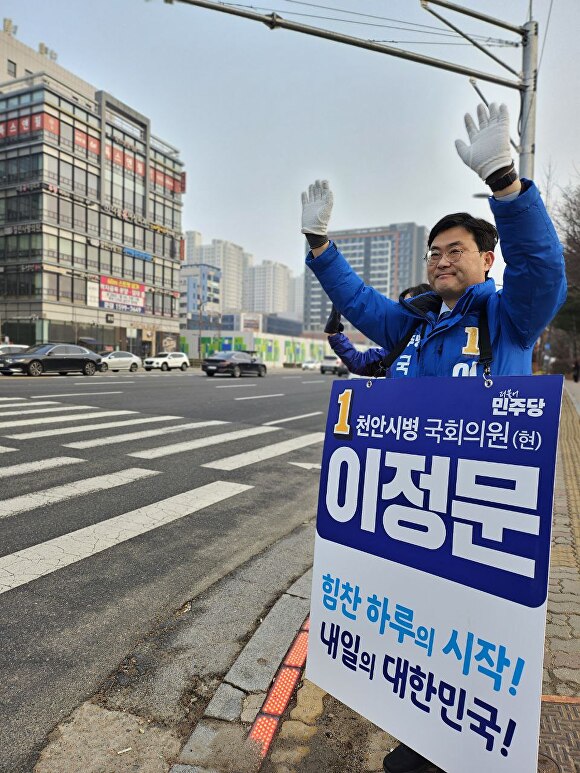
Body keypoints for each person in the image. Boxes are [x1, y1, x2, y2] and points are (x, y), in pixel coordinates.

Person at [301, 103, 567, 773]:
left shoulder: (509, 317)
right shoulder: (417, 324)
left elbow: (545, 272)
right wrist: (320, 249)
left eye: (455, 251)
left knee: (464, 707)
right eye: (435, 251)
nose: (441, 260)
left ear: (486, 257)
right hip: (418, 527)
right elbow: (361, 305)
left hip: (480, 533)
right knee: (415, 677)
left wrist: (506, 184)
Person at [324, 284, 431, 377]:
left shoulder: (442, 342)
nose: (401, 312)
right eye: (402, 306)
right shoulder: (397, 347)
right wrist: (335, 335)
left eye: (408, 305)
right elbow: (358, 362)